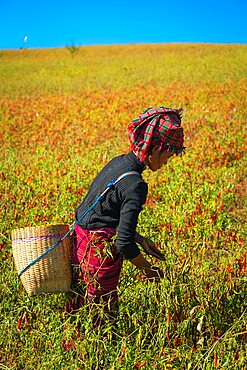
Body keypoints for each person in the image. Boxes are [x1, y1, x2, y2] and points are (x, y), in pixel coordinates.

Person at [67, 106, 185, 324]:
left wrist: (141, 240)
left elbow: (104, 215)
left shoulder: (119, 162)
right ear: (156, 147)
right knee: (101, 316)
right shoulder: (136, 186)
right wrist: (149, 270)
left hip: (79, 244)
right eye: (169, 155)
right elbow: (123, 243)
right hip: (98, 253)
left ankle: (74, 347)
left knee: (79, 304)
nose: (168, 161)